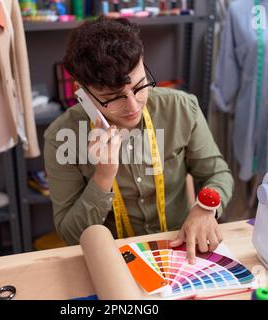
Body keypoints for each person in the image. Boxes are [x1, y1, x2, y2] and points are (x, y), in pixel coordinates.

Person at [44, 17, 234, 263]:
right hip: (110, 260)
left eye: (140, 85)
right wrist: (103, 177)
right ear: (81, 92)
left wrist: (205, 208)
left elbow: (218, 173)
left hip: (179, 249)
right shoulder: (60, 137)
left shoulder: (182, 108)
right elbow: (70, 235)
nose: (133, 106)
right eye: (113, 97)